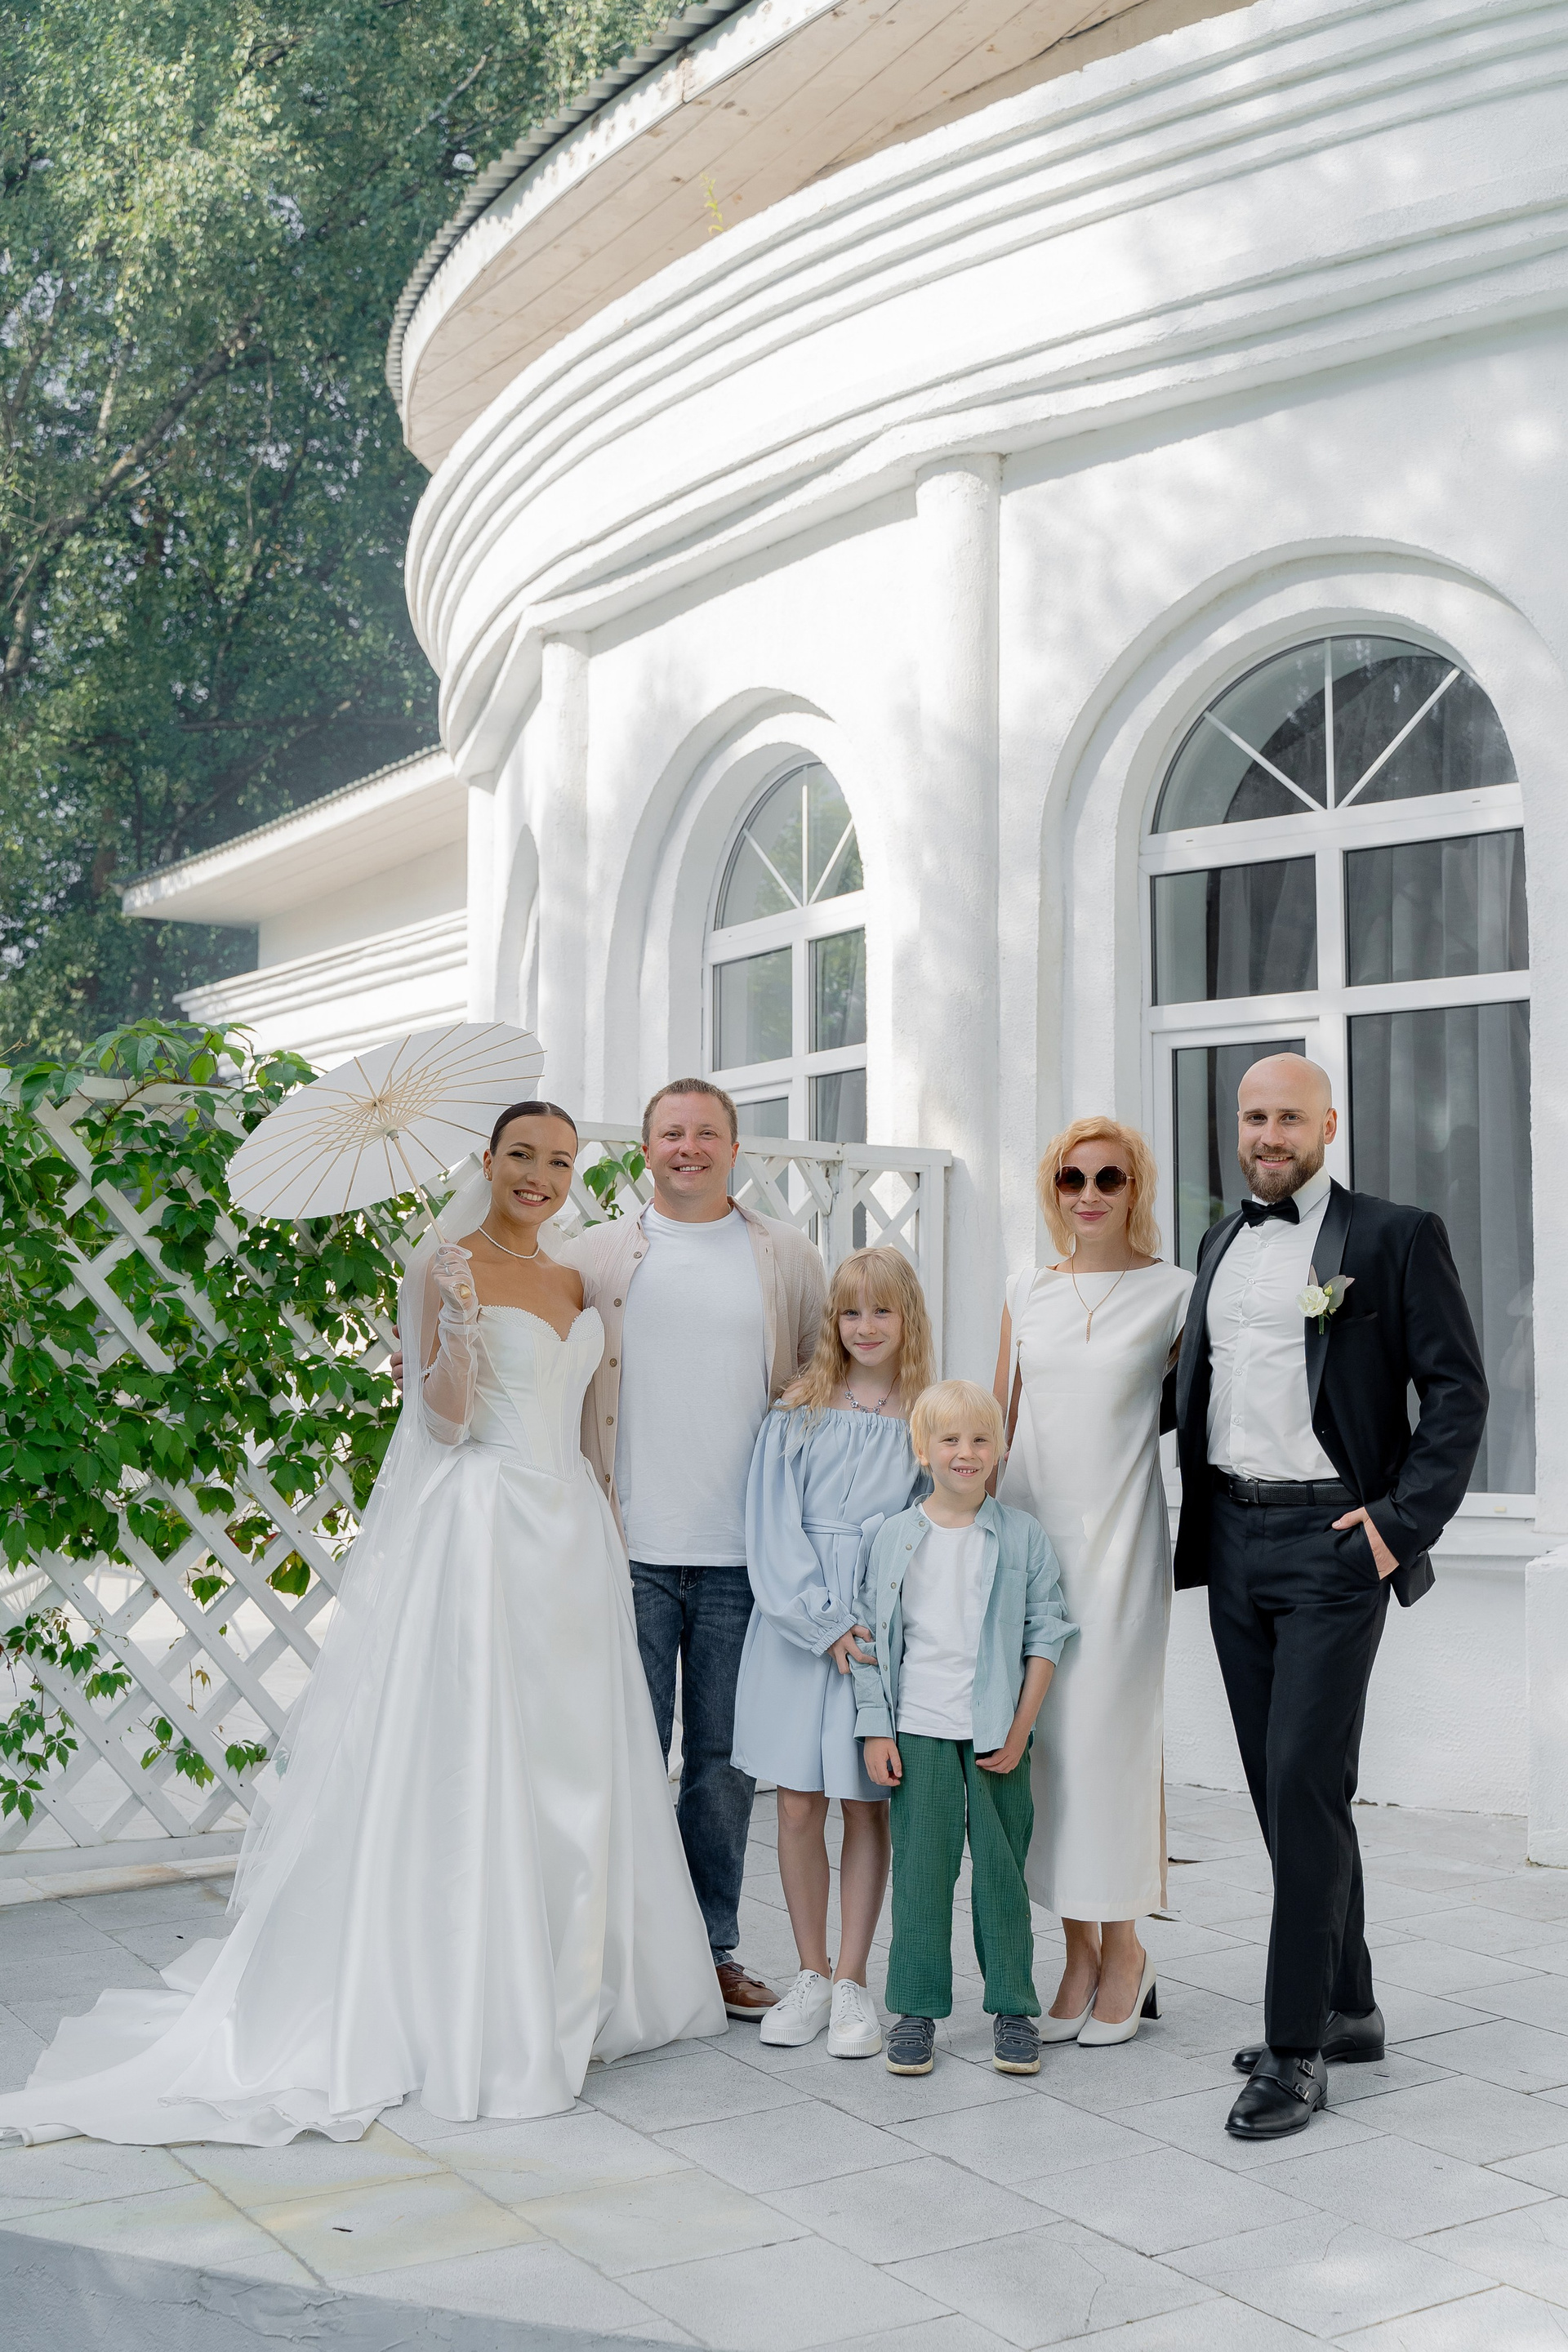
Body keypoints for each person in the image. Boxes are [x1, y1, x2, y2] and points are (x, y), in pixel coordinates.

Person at [0, 1102, 723, 2149]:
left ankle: (577, 1974)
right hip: (485, 1532)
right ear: (488, 1161)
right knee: (481, 1752)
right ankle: (477, 1996)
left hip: (570, 1534)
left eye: (560, 1161)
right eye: (522, 1155)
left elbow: (585, 1414)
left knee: (572, 1755)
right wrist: (454, 1334)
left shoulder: (575, 1278)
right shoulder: (441, 1265)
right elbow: (443, 1426)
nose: (540, 1175)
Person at [1173, 1053, 1488, 2138]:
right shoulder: (1218, 1243)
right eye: (1253, 1117)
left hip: (1336, 1543)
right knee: (1281, 1788)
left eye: (1289, 1118)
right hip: (1233, 1535)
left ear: (1328, 1125)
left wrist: (1398, 1526)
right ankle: (1349, 2005)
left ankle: (1297, 2048)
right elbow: (1199, 1387)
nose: (1268, 1135)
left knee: (1306, 1777)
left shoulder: (1395, 1236)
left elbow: (1457, 1393)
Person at [559, 1080, 828, 2022]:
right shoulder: (592, 1257)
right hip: (626, 1548)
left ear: (734, 1148)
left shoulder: (788, 1257)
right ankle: (622, 1956)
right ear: (645, 1151)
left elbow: (825, 1382)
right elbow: (523, 1347)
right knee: (625, 1759)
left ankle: (712, 1951)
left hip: (743, 1557)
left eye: (706, 1133)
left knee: (722, 1769)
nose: (689, 1147)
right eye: (671, 1133)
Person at [993, 1119, 1193, 2045]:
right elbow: (998, 1427)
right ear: (1054, 1187)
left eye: (1109, 1177)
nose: (1090, 1193)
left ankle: (1126, 1951)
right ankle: (1075, 1954)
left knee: (1109, 1745)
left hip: (1121, 1548)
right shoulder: (1024, 1289)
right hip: (1032, 1552)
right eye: (1072, 1177)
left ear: (1134, 1187)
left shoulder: (1175, 1294)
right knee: (1048, 1753)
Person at [732, 1246, 933, 2061]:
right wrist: (820, 1620)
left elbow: (933, 1529)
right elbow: (770, 1527)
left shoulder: (923, 1421)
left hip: (877, 1626)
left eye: (882, 1309)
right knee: (795, 1803)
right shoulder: (798, 1411)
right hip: (797, 1624)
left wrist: (875, 1622)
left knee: (864, 1800)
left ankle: (853, 1979)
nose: (866, 1326)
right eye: (851, 1311)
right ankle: (810, 1972)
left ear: (908, 1317)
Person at [853, 1380, 1076, 2081]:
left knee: (1002, 1877)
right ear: (923, 1450)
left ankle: (1013, 2008)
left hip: (997, 1735)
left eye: (981, 1439)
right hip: (917, 1731)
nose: (966, 1452)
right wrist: (875, 1730)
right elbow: (870, 1641)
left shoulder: (1021, 1536)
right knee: (921, 1876)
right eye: (949, 1439)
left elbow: (1045, 1633)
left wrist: (1020, 1727)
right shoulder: (893, 1536)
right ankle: (915, 2011)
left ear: (1000, 1449)